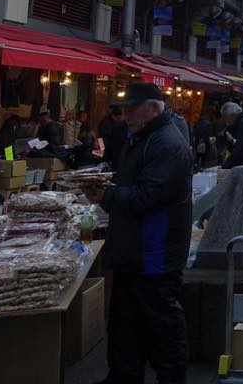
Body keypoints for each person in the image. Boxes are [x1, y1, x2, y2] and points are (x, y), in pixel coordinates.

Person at [80, 83, 191, 384]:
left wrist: (107, 195)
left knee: (162, 325)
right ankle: (123, 376)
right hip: (134, 250)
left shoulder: (167, 144)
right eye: (124, 110)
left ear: (153, 108)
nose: (125, 115)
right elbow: (133, 183)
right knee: (125, 323)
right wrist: (105, 186)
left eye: (131, 109)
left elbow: (148, 196)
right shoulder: (143, 137)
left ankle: (171, 378)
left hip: (154, 253)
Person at [100, 108, 128, 172]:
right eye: (117, 118)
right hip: (106, 145)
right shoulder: (114, 125)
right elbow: (102, 134)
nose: (119, 119)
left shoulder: (119, 125)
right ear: (113, 116)